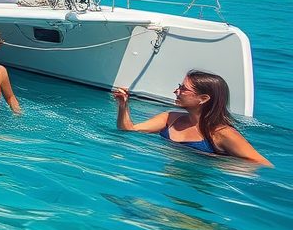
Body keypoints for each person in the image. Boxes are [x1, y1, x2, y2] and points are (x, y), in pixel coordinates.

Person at [112, 71, 271, 166]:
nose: (176, 91)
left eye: (183, 89)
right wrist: (123, 105)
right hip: (169, 180)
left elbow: (261, 164)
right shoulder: (169, 118)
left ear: (203, 98)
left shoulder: (222, 133)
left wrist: (217, 164)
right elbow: (129, 130)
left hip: (199, 188)